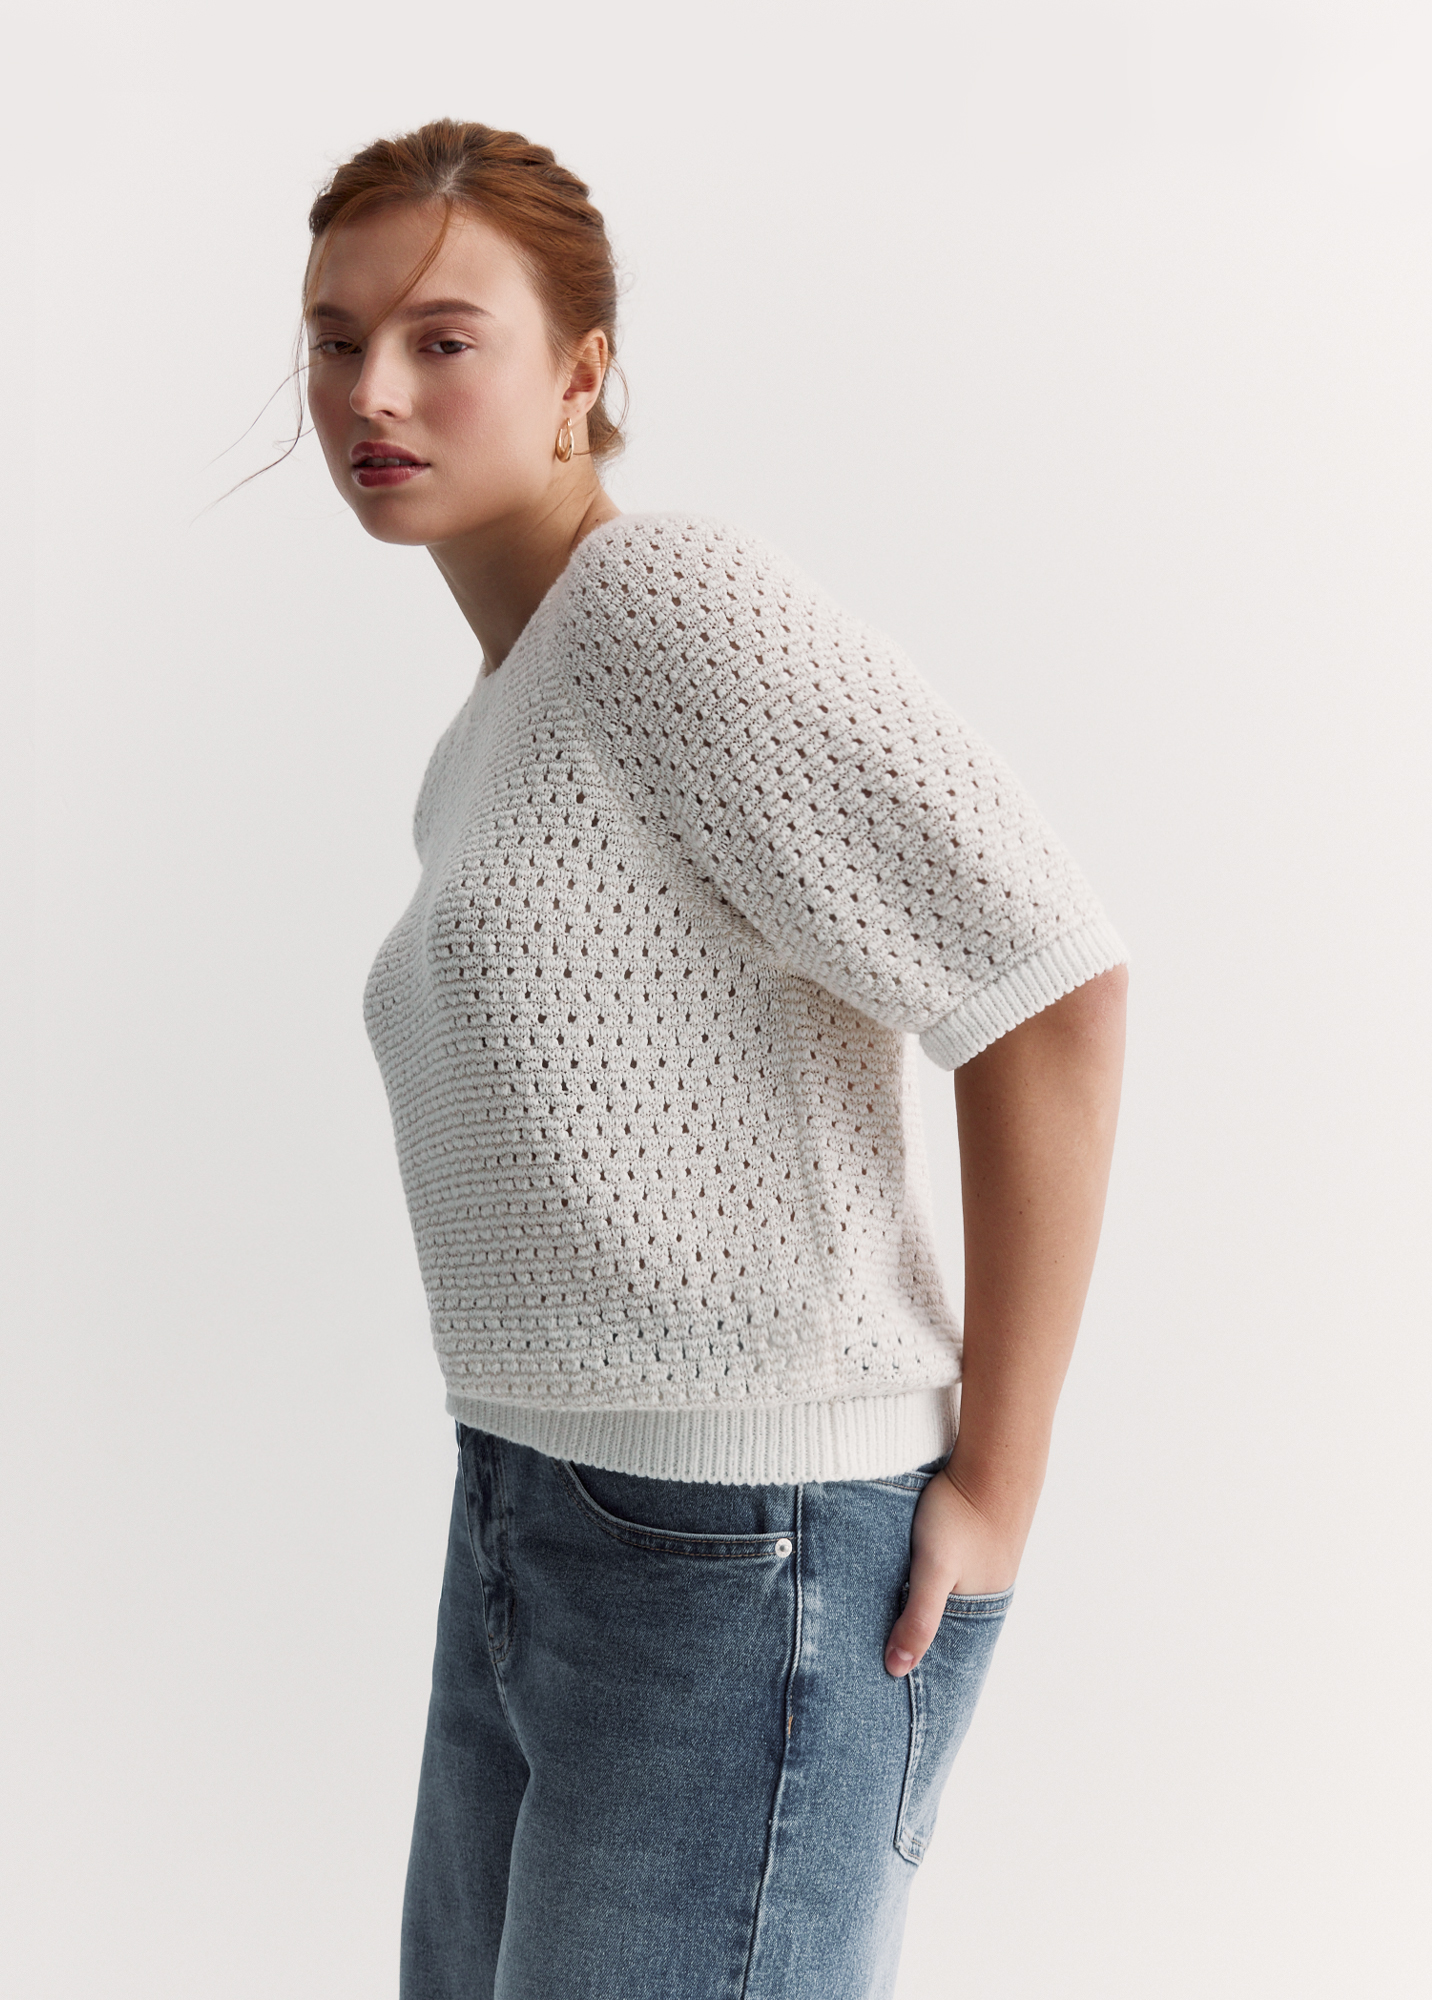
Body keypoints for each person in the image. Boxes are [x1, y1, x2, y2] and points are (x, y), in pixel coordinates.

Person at [299, 118, 1128, 2000]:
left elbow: (1046, 982)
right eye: (336, 341)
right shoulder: (498, 720)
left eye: (441, 338)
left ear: (580, 372)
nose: (372, 391)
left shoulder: (664, 605)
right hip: (526, 1511)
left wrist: (999, 1485)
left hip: (747, 1553)